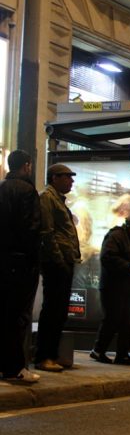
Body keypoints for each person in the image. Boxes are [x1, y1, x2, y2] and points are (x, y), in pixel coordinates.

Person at [0, 151, 43, 383]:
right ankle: (15, 367)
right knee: (18, 316)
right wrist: (33, 259)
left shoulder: (1, 188)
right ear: (27, 166)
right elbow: (31, 230)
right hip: (21, 263)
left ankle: (4, 365)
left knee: (4, 313)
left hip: (3, 261)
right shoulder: (27, 191)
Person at [35, 163, 81, 372]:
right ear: (55, 178)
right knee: (52, 311)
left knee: (60, 311)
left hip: (64, 261)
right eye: (67, 177)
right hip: (56, 263)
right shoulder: (47, 198)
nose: (71, 181)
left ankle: (53, 355)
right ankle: (44, 357)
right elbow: (47, 232)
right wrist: (58, 260)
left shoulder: (59, 200)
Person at [90, 210, 130, 365]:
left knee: (128, 321)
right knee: (112, 319)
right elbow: (107, 258)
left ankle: (122, 354)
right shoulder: (116, 236)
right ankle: (98, 350)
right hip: (113, 287)